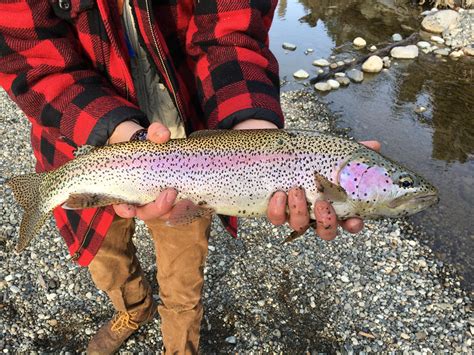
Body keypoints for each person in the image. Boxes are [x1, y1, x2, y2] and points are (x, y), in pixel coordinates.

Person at [0, 1, 379, 353]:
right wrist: (119, 132)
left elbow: (231, 32)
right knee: (106, 261)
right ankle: (135, 309)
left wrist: (251, 126)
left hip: (198, 157)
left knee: (183, 278)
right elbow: (32, 61)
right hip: (79, 141)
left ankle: (180, 346)